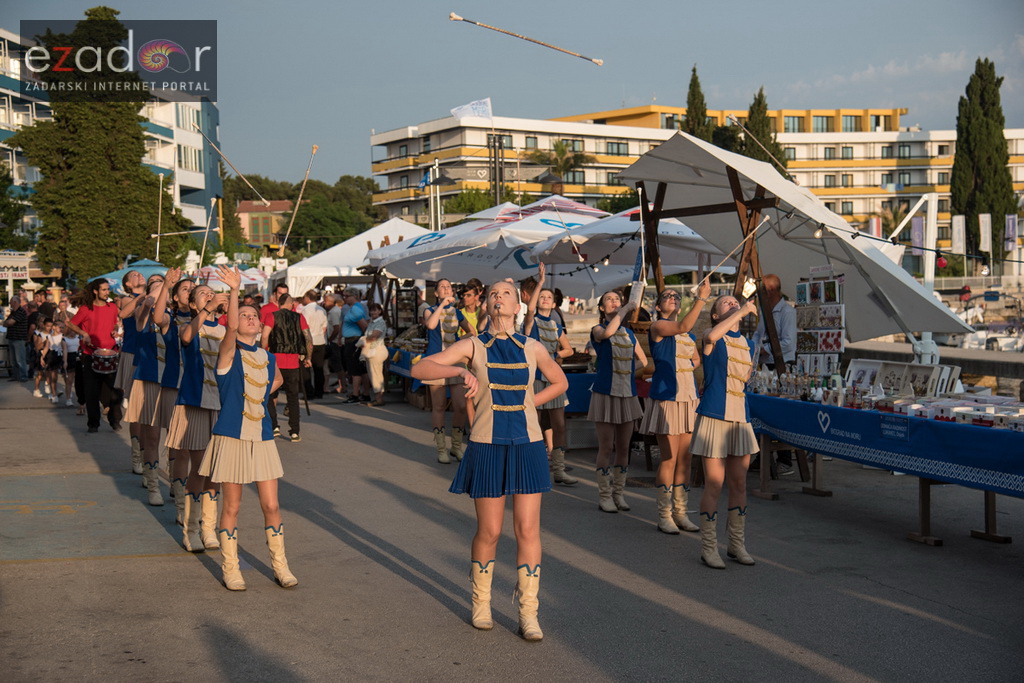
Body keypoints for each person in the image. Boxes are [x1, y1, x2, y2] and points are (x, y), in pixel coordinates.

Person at [412, 280, 567, 641]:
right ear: (487, 305)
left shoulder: (532, 347)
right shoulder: (472, 345)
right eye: (493, 294)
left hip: (527, 444)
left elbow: (560, 383)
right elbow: (421, 369)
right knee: (490, 531)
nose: (499, 297)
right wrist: (458, 371)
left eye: (506, 294)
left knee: (528, 530)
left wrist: (533, 402)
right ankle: (481, 602)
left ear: (518, 306)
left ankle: (529, 612)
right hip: (487, 442)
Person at [198, 266, 296, 591]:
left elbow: (277, 379)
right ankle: (231, 567)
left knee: (271, 505)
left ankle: (280, 566)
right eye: (243, 314)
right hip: (232, 437)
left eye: (254, 314)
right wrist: (235, 291)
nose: (250, 317)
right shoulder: (227, 354)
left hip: (263, 437)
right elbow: (228, 329)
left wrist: (262, 393)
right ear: (235, 322)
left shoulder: (268, 357)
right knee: (233, 506)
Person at [690, 295, 759, 569]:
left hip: (740, 416)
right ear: (716, 314)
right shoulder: (711, 334)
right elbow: (715, 334)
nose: (732, 304)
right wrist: (740, 312)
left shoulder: (749, 343)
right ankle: (708, 547)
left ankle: (736, 544)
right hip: (715, 415)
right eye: (726, 303)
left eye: (735, 302)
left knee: (740, 483)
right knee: (715, 483)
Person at [639, 283, 711, 534]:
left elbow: (695, 357)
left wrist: (688, 366)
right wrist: (701, 299)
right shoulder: (658, 325)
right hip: (667, 398)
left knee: (685, 458)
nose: (672, 298)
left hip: (688, 397)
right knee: (669, 457)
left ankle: (681, 512)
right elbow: (683, 326)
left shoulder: (688, 336)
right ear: (658, 306)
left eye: (676, 296)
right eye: (666, 296)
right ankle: (664, 514)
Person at [167, 282, 227, 553]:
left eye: (211, 292)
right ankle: (191, 528)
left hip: (221, 405)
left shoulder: (225, 330)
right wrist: (207, 310)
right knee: (200, 465)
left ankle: (208, 527)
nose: (209, 295)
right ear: (192, 304)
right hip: (195, 403)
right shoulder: (188, 326)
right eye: (203, 294)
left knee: (217, 468)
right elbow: (188, 338)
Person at [588, 290, 647, 513]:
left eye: (617, 299)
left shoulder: (630, 334)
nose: (614, 302)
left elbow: (642, 361)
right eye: (609, 300)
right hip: (605, 394)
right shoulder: (598, 329)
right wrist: (624, 311)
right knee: (606, 447)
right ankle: (604, 495)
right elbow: (607, 334)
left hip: (628, 394)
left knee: (624, 447)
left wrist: (627, 371)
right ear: (602, 308)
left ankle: (619, 493)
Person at [523, 264, 576, 486]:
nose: (545, 299)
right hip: (534, 377)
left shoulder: (556, 325)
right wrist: (541, 283)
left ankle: (559, 468)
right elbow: (531, 310)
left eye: (548, 297)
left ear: (554, 304)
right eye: (542, 296)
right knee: (533, 423)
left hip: (553, 377)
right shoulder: (531, 321)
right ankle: (532, 466)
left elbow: (569, 349)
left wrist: (553, 355)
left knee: (559, 424)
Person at [125, 275, 176, 506]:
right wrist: (154, 294)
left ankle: (177, 481)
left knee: (177, 436)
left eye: (165, 289)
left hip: (174, 380)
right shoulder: (143, 313)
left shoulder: (176, 316)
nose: (161, 292)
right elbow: (143, 311)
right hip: (149, 379)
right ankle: (153, 484)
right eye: (156, 289)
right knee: (153, 436)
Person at [422, 279, 476, 463]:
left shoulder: (458, 313)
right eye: (443, 287)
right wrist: (442, 305)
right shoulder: (429, 310)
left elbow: (472, 331)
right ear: (436, 293)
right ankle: (441, 448)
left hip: (455, 363)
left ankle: (456, 446)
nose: (447, 289)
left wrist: (461, 343)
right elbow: (430, 325)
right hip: (436, 362)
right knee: (438, 406)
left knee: (461, 405)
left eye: (449, 287)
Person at [749, 274, 797, 475]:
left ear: (771, 291)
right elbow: (758, 334)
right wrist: (753, 347)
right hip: (765, 365)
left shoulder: (787, 312)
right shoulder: (764, 310)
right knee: (763, 411)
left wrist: (763, 348)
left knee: (781, 412)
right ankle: (763, 456)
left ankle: (785, 459)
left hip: (782, 366)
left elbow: (788, 342)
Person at [67, 278, 124, 433]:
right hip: (90, 354)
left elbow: (115, 323)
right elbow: (70, 323)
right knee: (91, 390)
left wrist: (115, 328)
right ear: (95, 291)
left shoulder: (112, 307)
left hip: (111, 353)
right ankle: (93, 423)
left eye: (108, 290)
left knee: (114, 390)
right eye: (104, 290)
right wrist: (83, 333)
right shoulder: (86, 309)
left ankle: (115, 420)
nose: (107, 293)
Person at [262, 292, 311, 442]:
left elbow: (265, 336)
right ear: (290, 304)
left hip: (275, 361)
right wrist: (308, 357)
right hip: (293, 362)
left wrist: (264, 354)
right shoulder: (299, 317)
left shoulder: (272, 316)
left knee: (270, 395)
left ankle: (274, 426)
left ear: (278, 304)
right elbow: (308, 337)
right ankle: (294, 431)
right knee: (293, 397)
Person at [116, 271, 151, 473]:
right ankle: (137, 454)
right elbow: (123, 314)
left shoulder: (152, 297)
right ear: (128, 283)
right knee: (136, 409)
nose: (139, 276)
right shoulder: (127, 299)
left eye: (140, 274)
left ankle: (148, 453)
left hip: (150, 353)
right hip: (132, 353)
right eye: (135, 275)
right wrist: (142, 297)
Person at [341, 289, 371, 404]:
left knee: (355, 370)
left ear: (354, 296)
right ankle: (365, 393)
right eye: (344, 296)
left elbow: (364, 326)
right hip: (354, 340)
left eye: (347, 296)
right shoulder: (358, 307)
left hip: (354, 341)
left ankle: (355, 394)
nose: (345, 298)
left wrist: (364, 340)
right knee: (362, 370)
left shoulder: (355, 310)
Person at [360, 302, 389, 407]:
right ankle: (378, 398)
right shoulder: (372, 322)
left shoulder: (380, 322)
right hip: (372, 350)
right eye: (372, 310)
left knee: (376, 375)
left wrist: (362, 341)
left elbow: (374, 336)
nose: (373, 312)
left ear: (380, 311)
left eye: (375, 310)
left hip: (377, 350)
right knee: (374, 375)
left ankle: (379, 399)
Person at [301, 290, 328, 399]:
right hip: (320, 340)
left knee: (306, 367)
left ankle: (309, 392)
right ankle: (319, 391)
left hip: (309, 341)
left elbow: (304, 327)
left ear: (307, 297)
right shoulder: (322, 310)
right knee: (319, 368)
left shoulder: (306, 310)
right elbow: (324, 327)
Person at [324, 293, 346, 395]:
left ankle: (342, 386)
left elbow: (336, 327)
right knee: (336, 364)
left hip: (335, 341)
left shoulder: (334, 312)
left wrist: (330, 338)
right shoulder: (334, 311)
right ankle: (342, 384)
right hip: (336, 340)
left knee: (337, 364)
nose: (325, 303)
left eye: (327, 301)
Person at [3, 295, 29, 382]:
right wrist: (6, 322)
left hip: (19, 338)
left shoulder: (20, 311)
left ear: (15, 302)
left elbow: (10, 322)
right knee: (13, 360)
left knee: (20, 359)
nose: (10, 303)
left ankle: (23, 376)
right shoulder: (13, 312)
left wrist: (6, 322)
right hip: (12, 337)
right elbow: (7, 322)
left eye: (11, 302)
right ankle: (16, 376)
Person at [63, 322, 81, 408]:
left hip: (78, 357)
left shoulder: (79, 338)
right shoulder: (64, 339)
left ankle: (80, 399)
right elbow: (65, 351)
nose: (73, 332)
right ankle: (68, 399)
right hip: (70, 358)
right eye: (71, 330)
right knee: (69, 380)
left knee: (79, 380)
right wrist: (65, 361)